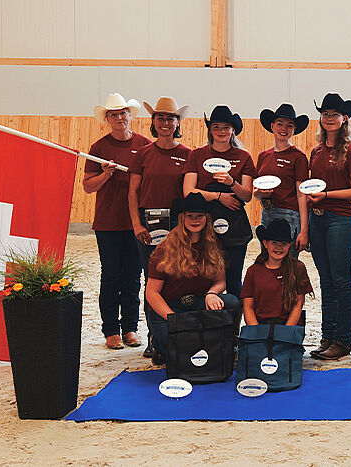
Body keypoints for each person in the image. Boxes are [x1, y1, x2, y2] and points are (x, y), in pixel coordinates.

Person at [82, 93, 151, 350]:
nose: (119, 118)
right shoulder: (98, 149)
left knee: (134, 276)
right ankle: (111, 330)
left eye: (123, 113)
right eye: (114, 115)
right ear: (107, 119)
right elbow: (88, 187)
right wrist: (105, 175)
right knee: (111, 275)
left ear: (130, 115)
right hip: (108, 223)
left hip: (136, 222)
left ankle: (131, 328)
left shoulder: (144, 146)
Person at [128, 96, 192, 358]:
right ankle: (154, 336)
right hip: (148, 223)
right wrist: (136, 223)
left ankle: (175, 333)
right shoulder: (143, 154)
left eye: (170, 118)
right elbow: (133, 192)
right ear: (154, 122)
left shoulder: (188, 155)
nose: (165, 123)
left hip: (178, 226)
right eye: (161, 118)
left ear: (177, 123)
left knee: (177, 279)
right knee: (151, 278)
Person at [143, 193, 240, 365]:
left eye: (199, 216)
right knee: (173, 348)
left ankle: (227, 342)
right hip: (170, 307)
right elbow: (151, 293)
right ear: (182, 218)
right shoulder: (164, 249)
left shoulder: (213, 245)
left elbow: (221, 281)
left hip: (199, 304)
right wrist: (173, 319)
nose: (195, 220)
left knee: (231, 302)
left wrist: (212, 293)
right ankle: (158, 344)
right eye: (190, 216)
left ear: (206, 218)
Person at [307, 93, 351, 360]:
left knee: (341, 280)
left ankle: (343, 339)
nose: (329, 118)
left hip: (340, 218)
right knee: (327, 280)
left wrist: (327, 197)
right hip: (318, 218)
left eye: (334, 114)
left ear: (344, 119)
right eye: (325, 114)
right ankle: (328, 335)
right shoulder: (316, 151)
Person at [183, 105, 256, 300]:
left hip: (234, 224)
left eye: (226, 127)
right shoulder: (197, 155)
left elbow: (247, 195)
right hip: (203, 220)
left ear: (233, 130)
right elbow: (188, 191)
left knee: (233, 280)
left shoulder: (244, 157)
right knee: (202, 277)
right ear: (210, 130)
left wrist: (232, 183)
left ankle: (234, 326)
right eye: (216, 127)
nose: (221, 131)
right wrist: (218, 196)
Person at [255, 103, 311, 258]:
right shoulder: (263, 156)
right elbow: (257, 192)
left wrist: (304, 229)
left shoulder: (298, 157)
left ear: (294, 130)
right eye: (280, 124)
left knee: (288, 262)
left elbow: (302, 194)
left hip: (290, 214)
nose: (284, 129)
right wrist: (259, 194)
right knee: (268, 260)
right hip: (267, 212)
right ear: (272, 126)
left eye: (289, 125)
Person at [240, 219, 313, 327]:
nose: (279, 247)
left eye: (283, 243)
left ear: (289, 245)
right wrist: (256, 332)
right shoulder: (253, 271)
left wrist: (286, 332)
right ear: (265, 243)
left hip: (288, 326)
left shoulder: (297, 268)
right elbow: (248, 307)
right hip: (259, 326)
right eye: (274, 243)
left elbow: (298, 304)